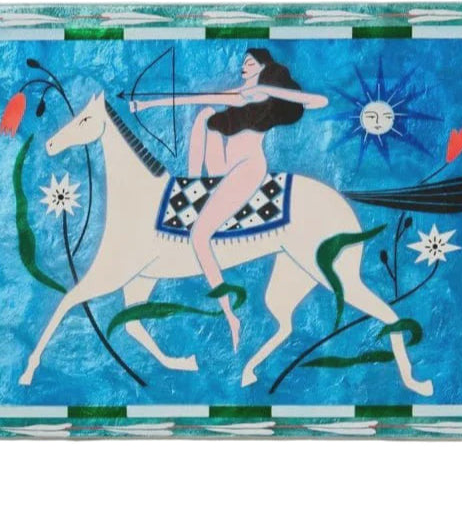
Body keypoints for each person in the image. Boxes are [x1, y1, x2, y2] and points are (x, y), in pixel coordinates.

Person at [130, 48, 328, 350]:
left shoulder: (264, 96)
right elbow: (191, 99)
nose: (243, 67)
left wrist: (269, 91)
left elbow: (318, 101)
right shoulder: (238, 94)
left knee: (199, 237)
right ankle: (192, 184)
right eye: (243, 62)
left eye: (250, 63)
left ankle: (230, 316)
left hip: (249, 169)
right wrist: (146, 104)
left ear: (263, 67)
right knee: (206, 114)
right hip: (223, 168)